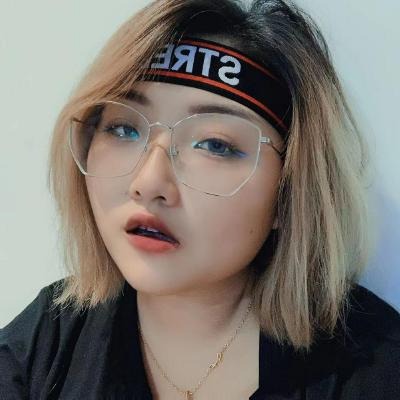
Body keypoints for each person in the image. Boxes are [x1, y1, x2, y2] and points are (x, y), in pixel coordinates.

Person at [1, 0, 399, 399]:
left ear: (289, 191)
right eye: (123, 129)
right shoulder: (44, 347)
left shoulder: (376, 370)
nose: (148, 182)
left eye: (214, 145)